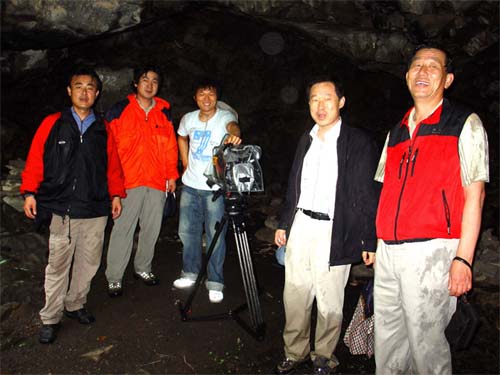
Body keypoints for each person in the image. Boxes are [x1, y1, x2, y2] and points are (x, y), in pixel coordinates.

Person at [365, 45, 489, 374]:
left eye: (433, 67)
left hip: (432, 250)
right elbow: (383, 190)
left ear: (447, 79)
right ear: (406, 76)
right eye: (416, 66)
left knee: (428, 348)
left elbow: (475, 196)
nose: (423, 72)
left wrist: (463, 258)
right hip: (388, 251)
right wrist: (374, 242)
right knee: (388, 342)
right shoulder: (396, 131)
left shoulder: (464, 123)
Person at [274, 76, 379, 374]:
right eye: (314, 100)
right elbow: (294, 184)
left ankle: (323, 355)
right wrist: (285, 223)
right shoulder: (305, 139)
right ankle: (294, 351)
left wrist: (368, 239)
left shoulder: (358, 142)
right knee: (294, 293)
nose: (321, 106)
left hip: (336, 228)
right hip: (302, 224)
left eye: (327, 99)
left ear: (341, 102)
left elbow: (366, 193)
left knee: (330, 295)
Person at [20, 67, 125, 344]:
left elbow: (112, 165)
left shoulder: (103, 128)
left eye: (90, 87)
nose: (84, 92)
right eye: (78, 86)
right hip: (61, 207)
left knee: (89, 263)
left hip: (94, 207)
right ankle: (50, 317)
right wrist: (29, 191)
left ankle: (75, 304)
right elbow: (35, 158)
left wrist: (115, 195)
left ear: (97, 93)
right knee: (57, 266)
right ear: (69, 91)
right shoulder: (53, 122)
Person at [105, 66, 179, 297]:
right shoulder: (119, 111)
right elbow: (109, 151)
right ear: (135, 84)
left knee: (151, 229)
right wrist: (113, 184)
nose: (149, 84)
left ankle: (143, 268)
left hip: (157, 181)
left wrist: (172, 176)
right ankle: (115, 277)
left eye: (154, 81)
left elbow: (170, 148)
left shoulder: (164, 113)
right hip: (129, 182)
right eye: (145, 80)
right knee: (123, 229)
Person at [172, 79, 241, 303]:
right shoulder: (188, 119)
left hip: (215, 189)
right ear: (195, 97)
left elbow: (233, 126)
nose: (207, 99)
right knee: (188, 233)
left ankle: (215, 281)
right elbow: (181, 136)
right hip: (190, 186)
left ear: (216, 97)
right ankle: (190, 273)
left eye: (211, 94)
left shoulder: (223, 117)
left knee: (216, 236)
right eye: (202, 94)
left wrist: (235, 134)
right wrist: (184, 162)